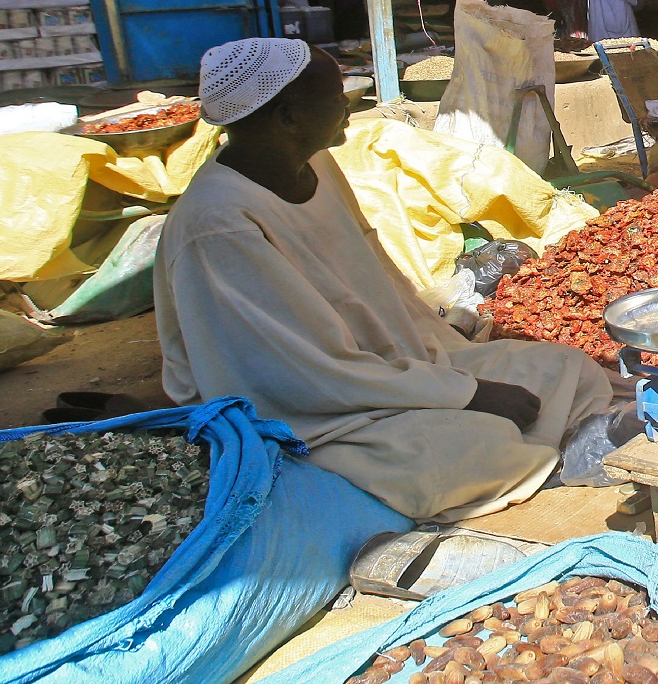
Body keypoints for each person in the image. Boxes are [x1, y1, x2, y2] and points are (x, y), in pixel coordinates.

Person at [155, 38, 613, 521]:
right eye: (335, 97)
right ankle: (524, 455)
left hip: (389, 368)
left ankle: (523, 446)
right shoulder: (220, 225)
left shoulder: (314, 161)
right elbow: (298, 375)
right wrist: (467, 393)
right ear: (287, 117)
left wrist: (441, 351)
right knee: (460, 450)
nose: (349, 108)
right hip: (311, 412)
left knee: (566, 366)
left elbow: (375, 278)